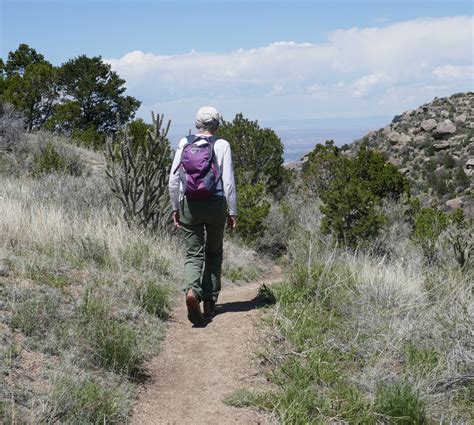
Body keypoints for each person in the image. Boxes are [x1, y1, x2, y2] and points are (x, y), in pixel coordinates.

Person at [169, 106, 237, 326]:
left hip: (189, 204)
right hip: (215, 204)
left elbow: (173, 180)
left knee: (193, 253)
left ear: (197, 123)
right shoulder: (222, 145)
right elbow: (228, 182)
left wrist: (175, 207)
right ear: (216, 124)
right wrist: (232, 211)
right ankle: (209, 300)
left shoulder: (184, 143)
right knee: (214, 253)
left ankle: (192, 291)